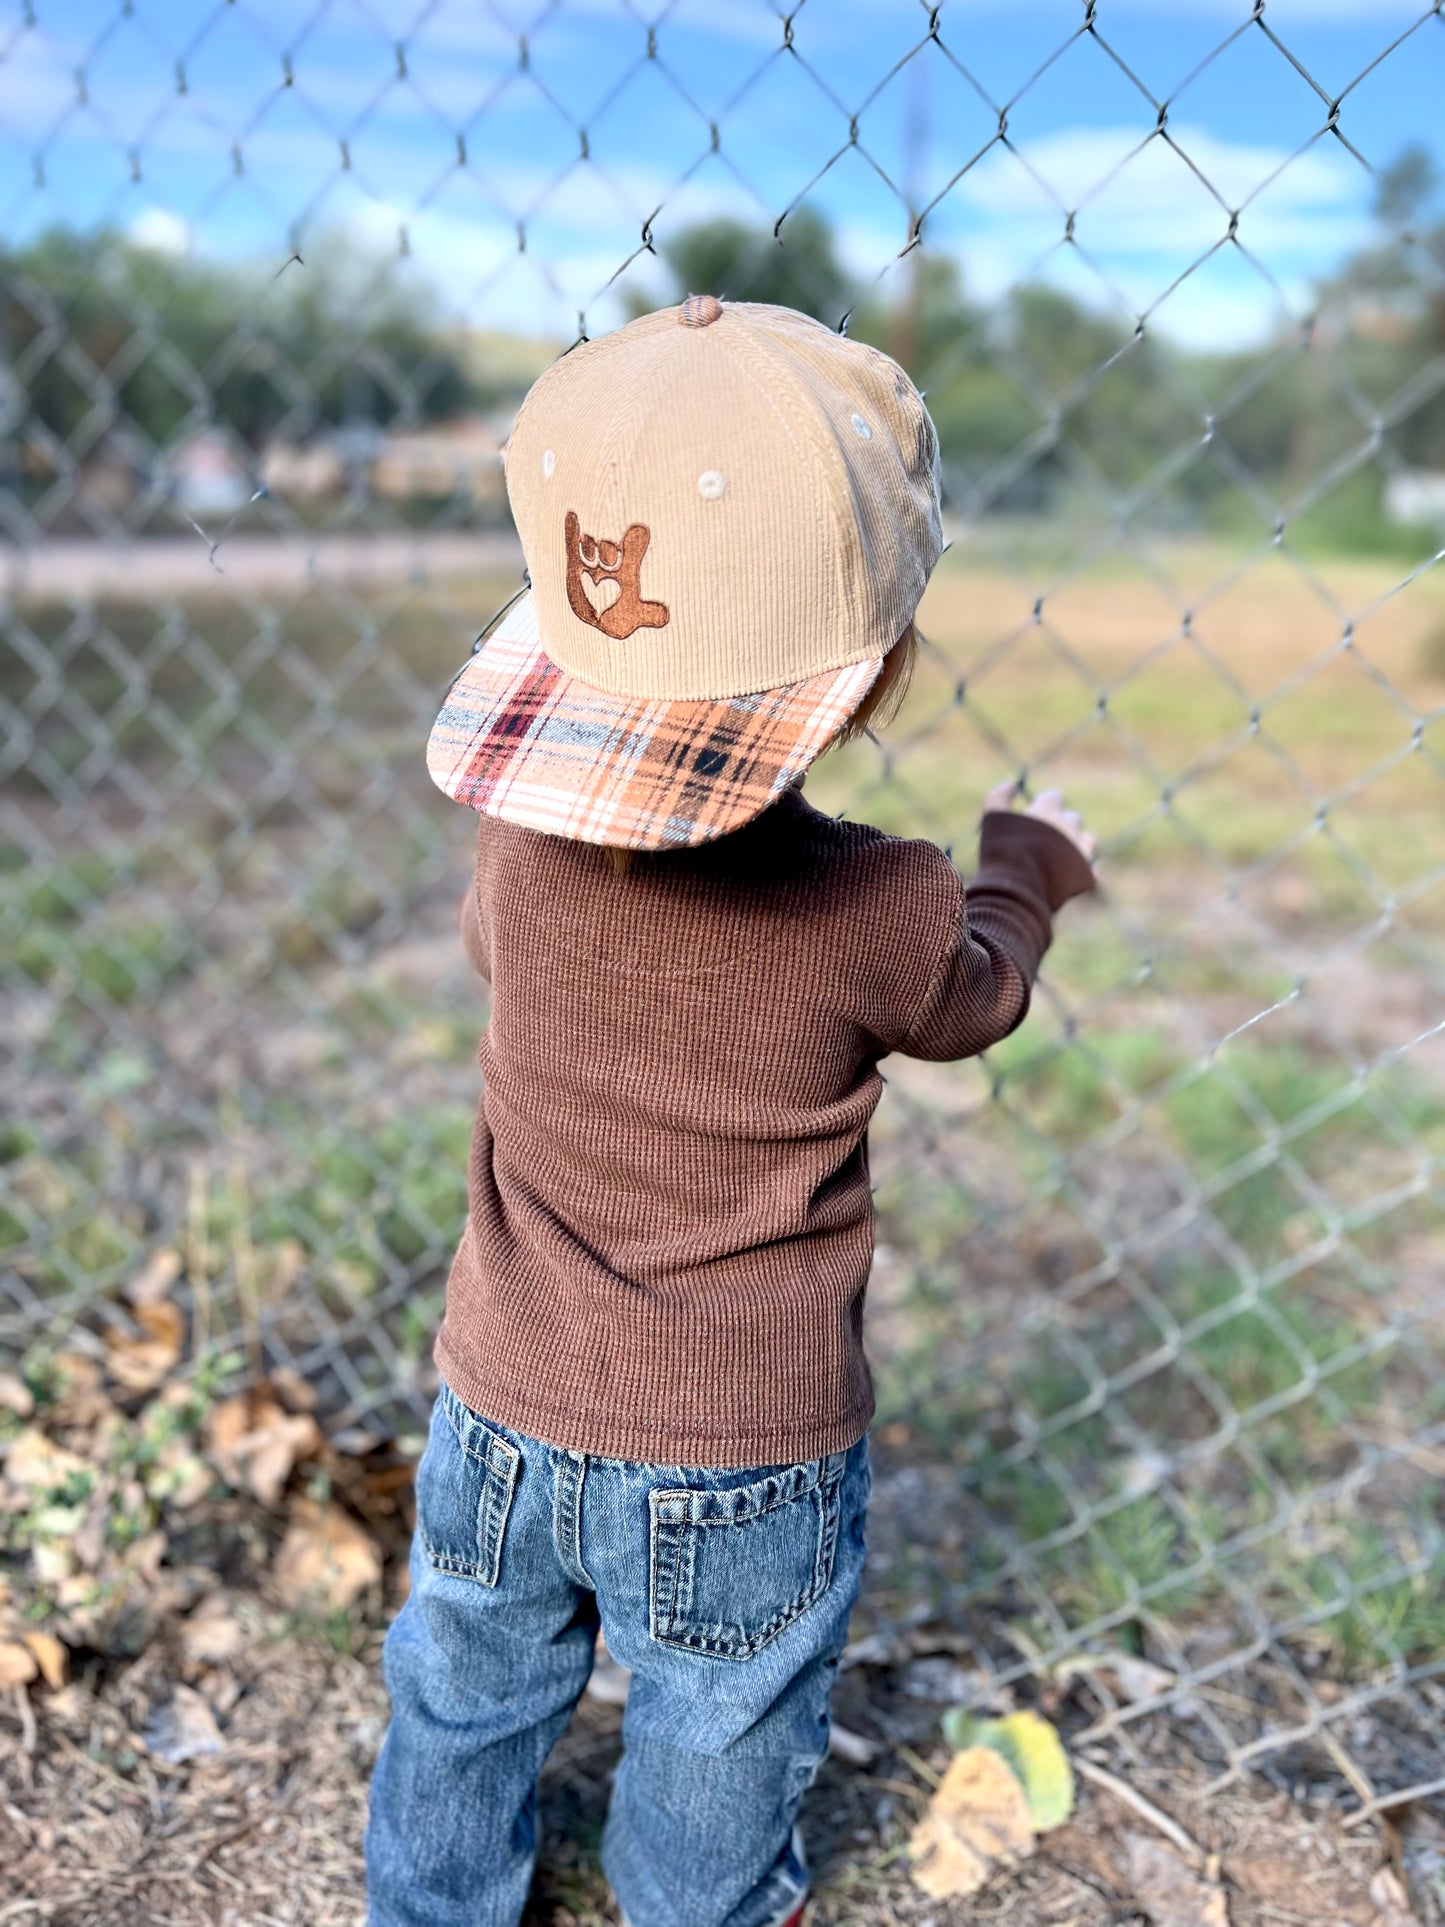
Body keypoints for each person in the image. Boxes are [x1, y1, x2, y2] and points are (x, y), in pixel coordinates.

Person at [365, 293, 1098, 1927]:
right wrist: (1022, 875)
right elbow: (975, 997)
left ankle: (430, 1910)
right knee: (716, 1737)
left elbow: (508, 956)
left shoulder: (519, 850)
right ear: (867, 670)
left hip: (497, 1397)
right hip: (740, 1450)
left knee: (463, 1690)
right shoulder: (881, 907)